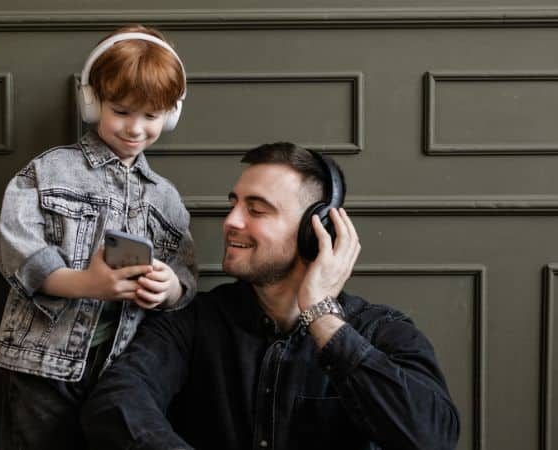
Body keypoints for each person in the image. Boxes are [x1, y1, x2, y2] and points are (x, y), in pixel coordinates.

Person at [81, 142, 460, 450]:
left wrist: (323, 317)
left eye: (256, 210)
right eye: (234, 204)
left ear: (316, 231)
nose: (231, 221)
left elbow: (432, 437)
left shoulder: (382, 330)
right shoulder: (195, 321)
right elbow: (116, 403)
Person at [0, 25, 197, 449]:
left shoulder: (167, 198)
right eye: (121, 111)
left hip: (121, 372)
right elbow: (17, 249)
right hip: (43, 367)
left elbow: (186, 274)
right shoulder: (48, 172)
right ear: (92, 101)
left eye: (151, 116)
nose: (135, 129)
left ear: (170, 115)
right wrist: (85, 284)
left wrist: (170, 288)